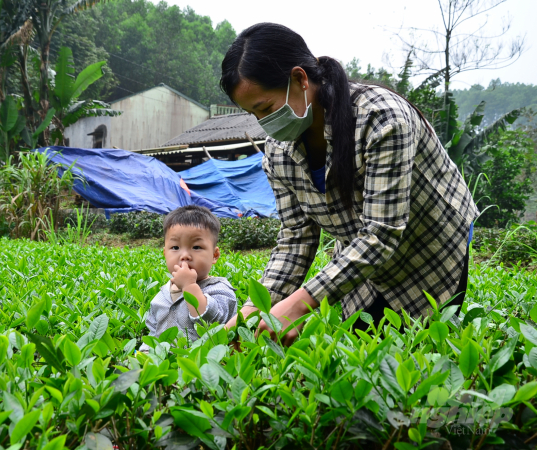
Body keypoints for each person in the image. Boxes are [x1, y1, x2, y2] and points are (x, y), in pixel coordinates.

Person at [220, 23, 479, 344]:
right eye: (253, 115)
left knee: (416, 354)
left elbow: (382, 233)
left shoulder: (381, 117)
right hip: (361, 256)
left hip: (430, 244)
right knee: (355, 351)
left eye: (266, 109)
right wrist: (255, 309)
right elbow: (295, 239)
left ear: (300, 79)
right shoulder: (279, 153)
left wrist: (299, 303)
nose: (264, 123)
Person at [138, 205, 237, 352]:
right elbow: (154, 332)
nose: (184, 255)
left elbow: (212, 322)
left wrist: (189, 286)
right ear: (165, 253)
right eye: (175, 247)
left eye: (196, 247)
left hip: (200, 364)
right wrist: (145, 353)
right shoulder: (163, 293)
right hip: (164, 365)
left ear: (214, 255)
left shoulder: (220, 290)